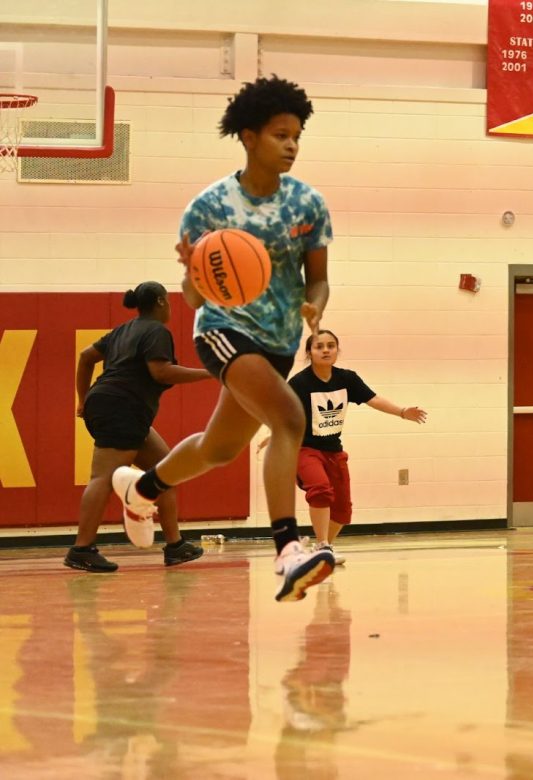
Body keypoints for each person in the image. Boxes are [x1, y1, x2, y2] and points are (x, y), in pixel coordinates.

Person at [110, 76, 337, 602]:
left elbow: (319, 276)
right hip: (223, 332)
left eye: (297, 136)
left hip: (279, 341)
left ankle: (142, 488)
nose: (292, 145)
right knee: (289, 419)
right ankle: (288, 548)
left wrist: (315, 307)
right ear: (249, 136)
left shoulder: (309, 204)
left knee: (219, 449)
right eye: (281, 134)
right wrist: (193, 274)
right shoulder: (208, 207)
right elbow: (191, 297)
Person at [65, 282, 212, 573]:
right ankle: (81, 549)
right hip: (122, 407)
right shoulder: (156, 331)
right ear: (160, 302)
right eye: (168, 301)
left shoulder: (123, 329)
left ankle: (175, 546)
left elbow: (85, 357)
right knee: (102, 479)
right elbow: (161, 371)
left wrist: (84, 400)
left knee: (168, 470)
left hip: (111, 404)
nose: (170, 307)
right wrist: (210, 373)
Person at [276, 329, 427, 566]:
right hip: (304, 449)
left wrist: (401, 412)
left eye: (330, 346)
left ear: (337, 350)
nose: (325, 350)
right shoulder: (300, 383)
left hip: (333, 450)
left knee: (343, 511)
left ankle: (323, 548)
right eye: (319, 346)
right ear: (309, 352)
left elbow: (373, 399)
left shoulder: (347, 378)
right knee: (320, 489)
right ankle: (323, 545)